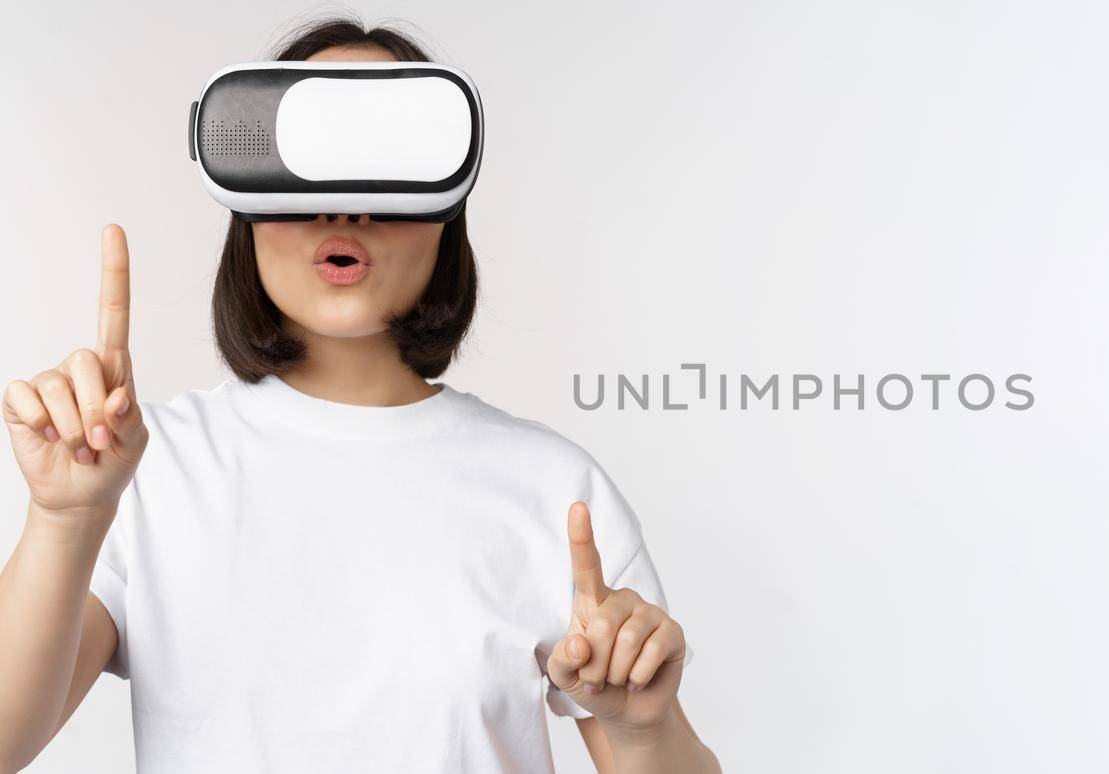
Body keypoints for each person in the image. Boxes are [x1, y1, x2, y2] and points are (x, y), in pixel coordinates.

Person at [0, 17, 719, 774]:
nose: (344, 209)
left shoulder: (555, 492)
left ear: (446, 211)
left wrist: (643, 728)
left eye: (387, 162)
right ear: (246, 201)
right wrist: (65, 518)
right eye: (308, 164)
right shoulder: (141, 470)